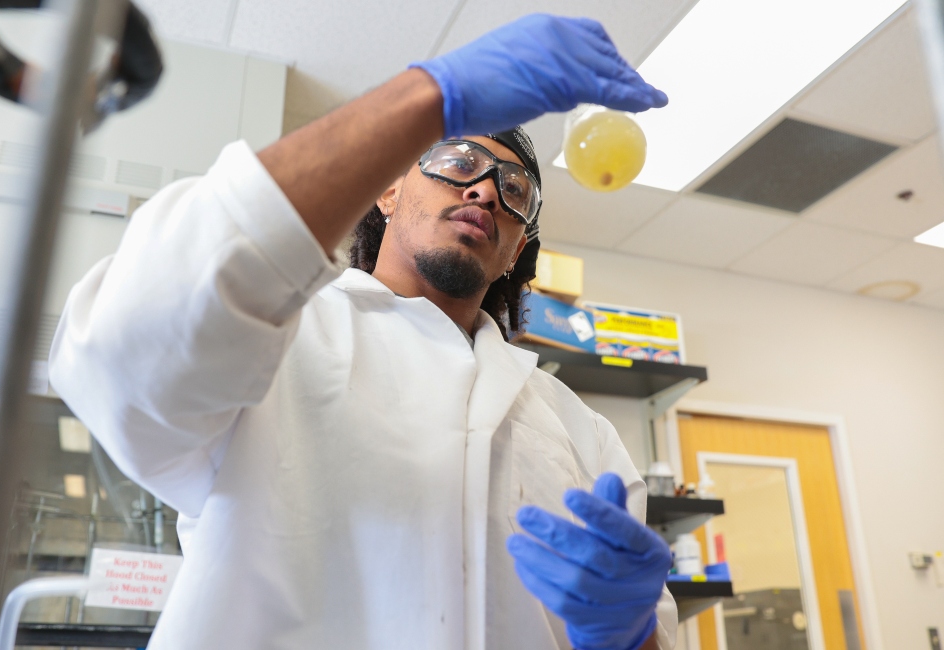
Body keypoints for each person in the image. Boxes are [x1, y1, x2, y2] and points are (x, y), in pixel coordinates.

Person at [49, 13, 675, 650]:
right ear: (388, 193)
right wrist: (427, 96)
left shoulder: (579, 428)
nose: (486, 191)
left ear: (516, 252)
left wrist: (631, 634)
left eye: (516, 190)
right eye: (458, 160)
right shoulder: (280, 337)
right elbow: (120, 348)